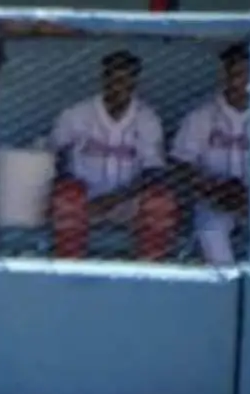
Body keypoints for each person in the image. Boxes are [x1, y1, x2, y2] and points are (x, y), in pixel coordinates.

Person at [47, 50, 178, 260]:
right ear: (103, 78)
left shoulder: (147, 118)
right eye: (114, 77)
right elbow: (53, 157)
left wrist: (115, 198)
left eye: (126, 78)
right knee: (66, 197)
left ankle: (151, 270)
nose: (119, 84)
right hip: (83, 199)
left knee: (159, 201)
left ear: (135, 81)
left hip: (128, 201)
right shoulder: (76, 114)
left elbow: (153, 171)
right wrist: (71, 184)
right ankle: (69, 269)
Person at [169, 43, 250, 265]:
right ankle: (228, 289)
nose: (241, 82)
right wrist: (211, 189)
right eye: (235, 74)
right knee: (211, 231)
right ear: (224, 75)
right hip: (213, 198)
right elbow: (180, 163)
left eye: (246, 74)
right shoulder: (201, 115)